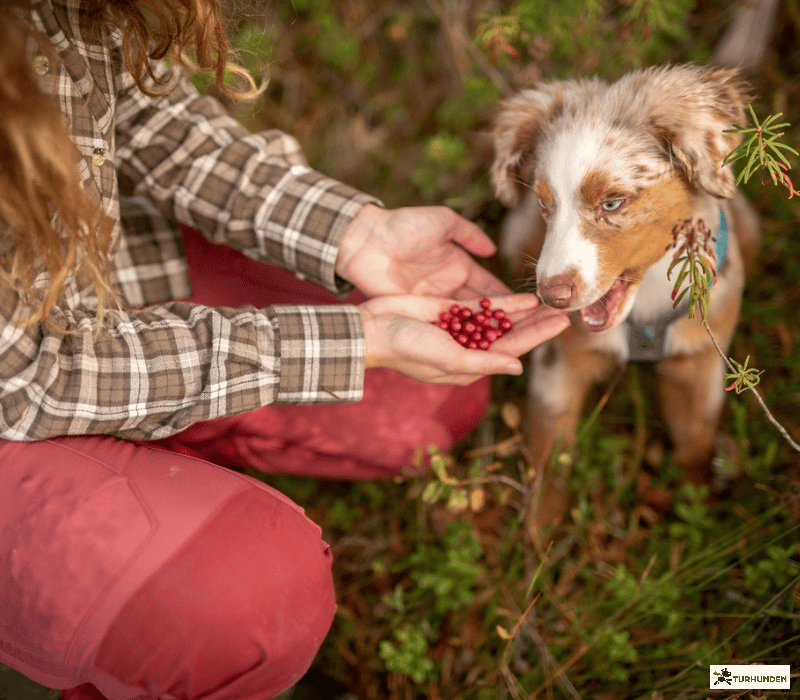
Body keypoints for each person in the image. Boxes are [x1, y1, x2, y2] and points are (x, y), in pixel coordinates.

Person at [0, 2, 570, 699]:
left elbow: (147, 118)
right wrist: (353, 340)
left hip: (96, 285)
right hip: (21, 385)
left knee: (430, 398)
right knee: (243, 607)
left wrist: (351, 233)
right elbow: (35, 369)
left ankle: (162, 457)